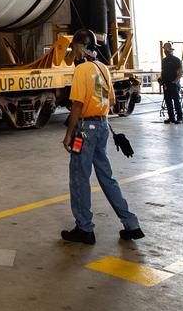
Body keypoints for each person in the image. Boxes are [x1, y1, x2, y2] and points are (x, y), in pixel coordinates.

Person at [60, 31, 143, 245]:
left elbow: (77, 105)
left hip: (84, 131)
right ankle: (130, 223)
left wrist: (69, 134)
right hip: (103, 127)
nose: (74, 53)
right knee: (107, 177)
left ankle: (84, 228)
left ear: (79, 47)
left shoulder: (81, 70)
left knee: (79, 177)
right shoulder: (103, 68)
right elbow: (113, 101)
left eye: (74, 48)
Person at [160, 42, 183, 123]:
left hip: (173, 83)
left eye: (166, 49)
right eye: (164, 49)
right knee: (168, 101)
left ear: (170, 50)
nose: (165, 51)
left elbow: (180, 72)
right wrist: (161, 80)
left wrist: (175, 81)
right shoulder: (164, 60)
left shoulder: (176, 60)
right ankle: (171, 117)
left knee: (176, 100)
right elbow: (163, 71)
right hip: (166, 83)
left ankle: (180, 118)